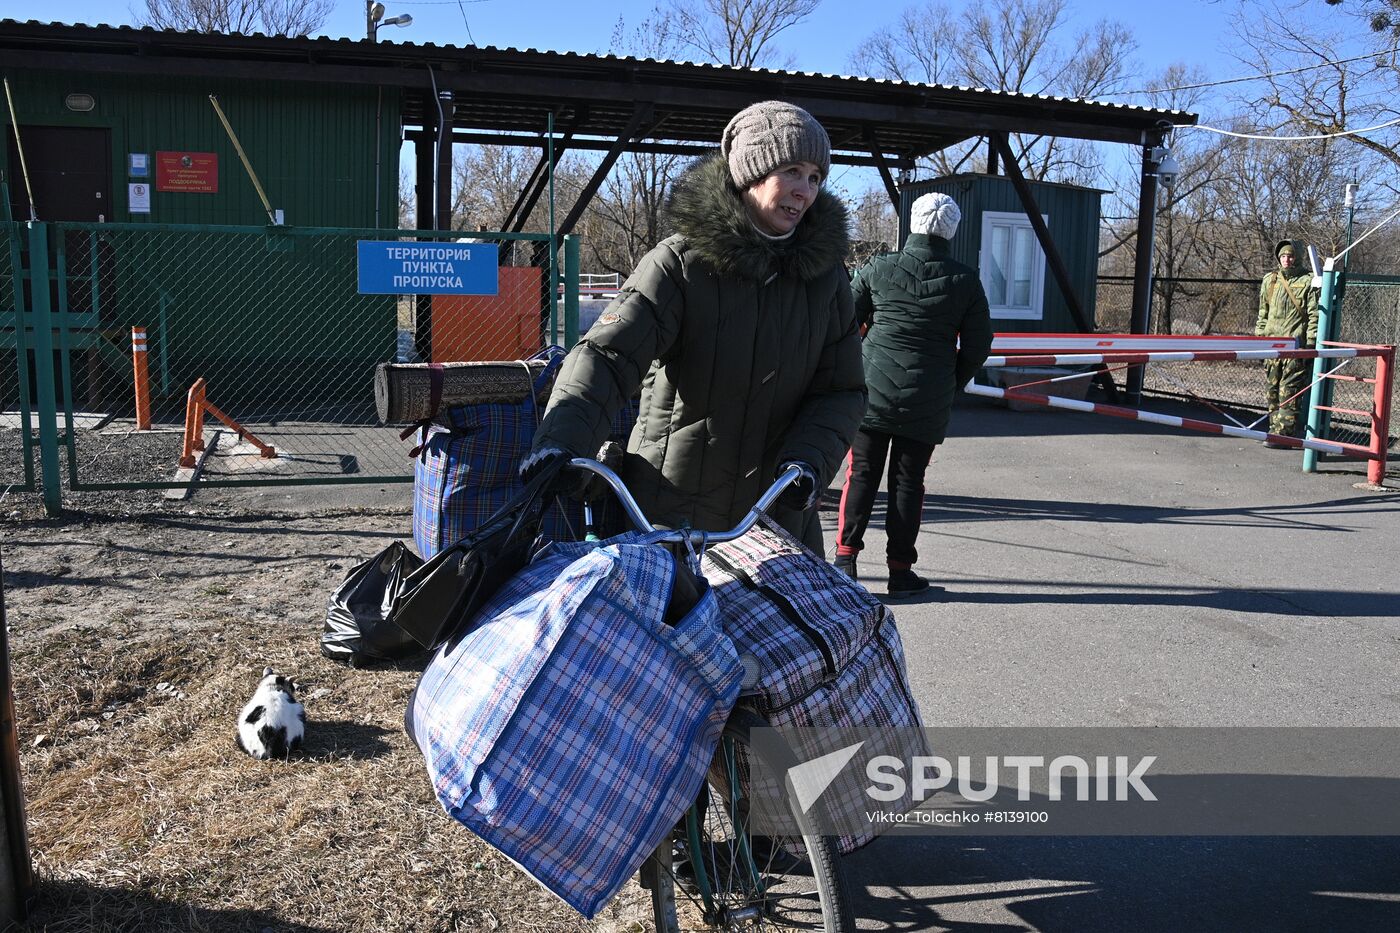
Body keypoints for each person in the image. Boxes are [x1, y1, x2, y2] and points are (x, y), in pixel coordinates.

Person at [519, 100, 866, 552]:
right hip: (669, 516)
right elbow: (607, 356)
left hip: (776, 520)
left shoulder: (826, 279)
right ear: (750, 173)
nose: (805, 190)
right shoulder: (680, 264)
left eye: (816, 177)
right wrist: (562, 440)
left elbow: (841, 389)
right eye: (793, 171)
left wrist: (808, 462)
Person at [832, 192, 993, 597]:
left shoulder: (879, 267)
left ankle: (845, 560)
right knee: (908, 483)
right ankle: (900, 572)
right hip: (928, 397)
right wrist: (950, 382)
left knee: (860, 473)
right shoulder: (965, 281)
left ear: (912, 225)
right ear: (951, 231)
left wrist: (857, 367)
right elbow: (978, 345)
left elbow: (843, 322)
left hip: (872, 391)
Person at [1255, 239, 1319, 446]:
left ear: (1297, 257)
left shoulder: (1308, 281)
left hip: (1294, 346)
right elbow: (1263, 312)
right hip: (1271, 345)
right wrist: (1259, 339)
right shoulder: (1270, 280)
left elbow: (1314, 315)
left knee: (1289, 391)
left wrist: (1310, 344)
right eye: (1283, 256)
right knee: (1272, 391)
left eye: (1290, 256)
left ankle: (1283, 434)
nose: (1286, 260)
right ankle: (1274, 430)